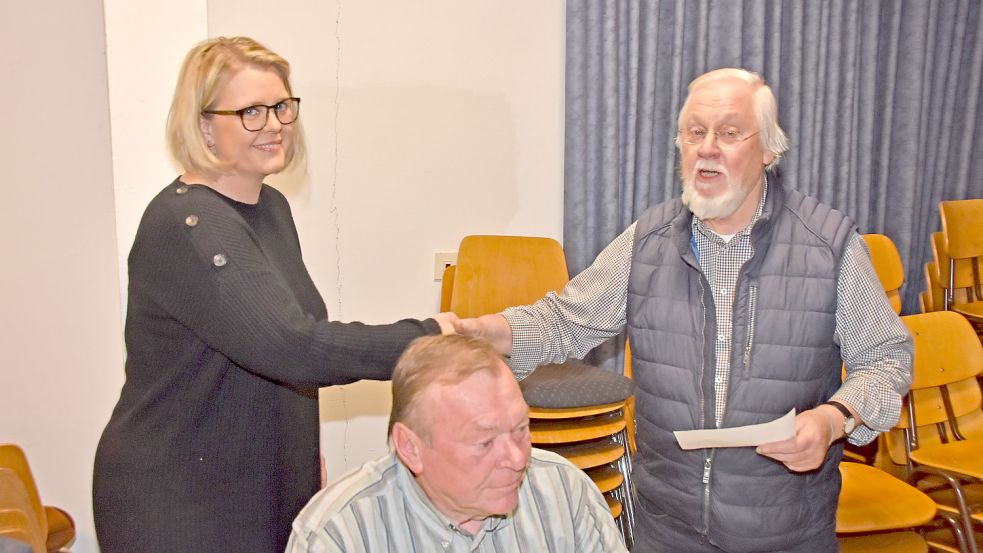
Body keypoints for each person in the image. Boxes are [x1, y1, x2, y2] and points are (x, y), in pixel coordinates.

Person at [458, 68, 913, 552]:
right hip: (666, 531)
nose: (708, 147)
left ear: (769, 152)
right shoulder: (646, 242)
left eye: (730, 133)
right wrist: (487, 331)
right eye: (695, 133)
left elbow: (888, 359)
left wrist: (833, 419)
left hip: (786, 534)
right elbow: (564, 322)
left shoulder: (829, 246)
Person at [92, 36, 457, 553]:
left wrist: (302, 459)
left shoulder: (272, 209)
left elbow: (280, 354)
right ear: (202, 125)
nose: (274, 124)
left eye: (282, 106)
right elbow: (293, 346)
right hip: (178, 497)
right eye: (250, 111)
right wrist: (429, 338)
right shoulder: (188, 223)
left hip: (259, 486)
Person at [285, 334, 628, 553]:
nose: (516, 457)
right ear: (411, 448)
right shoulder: (339, 534)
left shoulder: (564, 492)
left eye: (521, 428)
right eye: (484, 442)